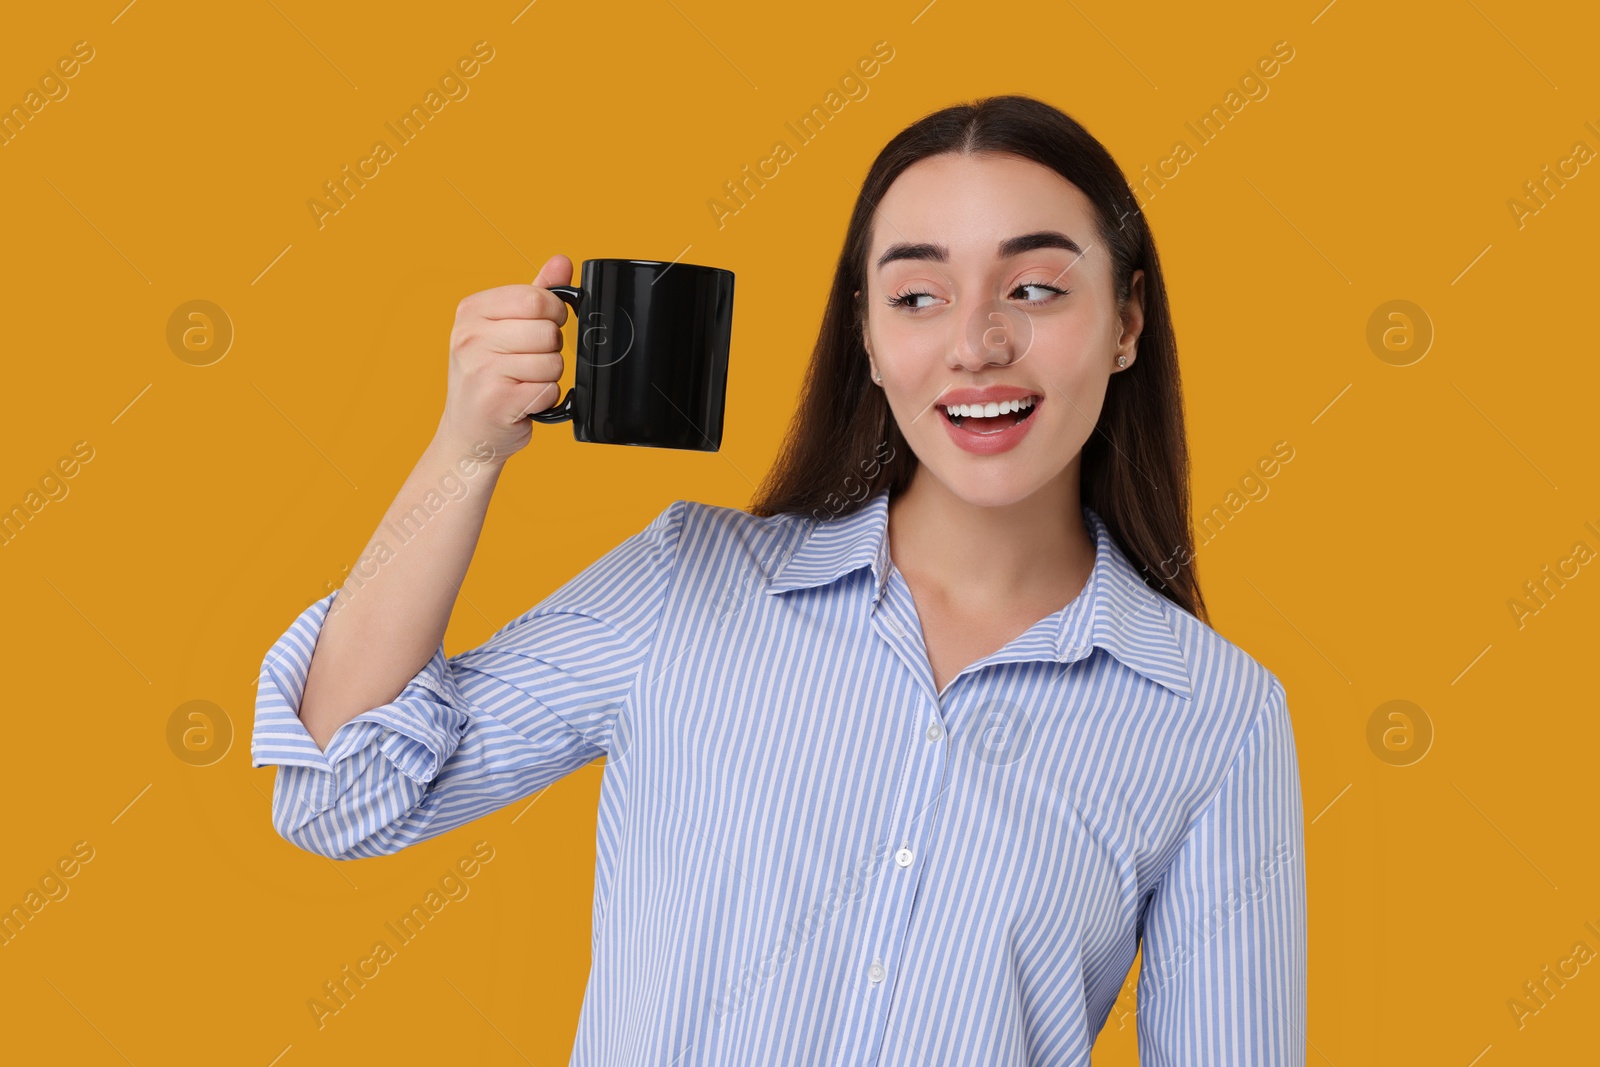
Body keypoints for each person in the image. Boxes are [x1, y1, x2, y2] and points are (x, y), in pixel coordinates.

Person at [252, 94, 1306, 1064]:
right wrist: (465, 450)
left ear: (1124, 323)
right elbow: (340, 792)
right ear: (867, 332)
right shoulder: (685, 586)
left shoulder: (1214, 717)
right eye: (918, 294)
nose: (978, 343)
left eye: (1033, 287)